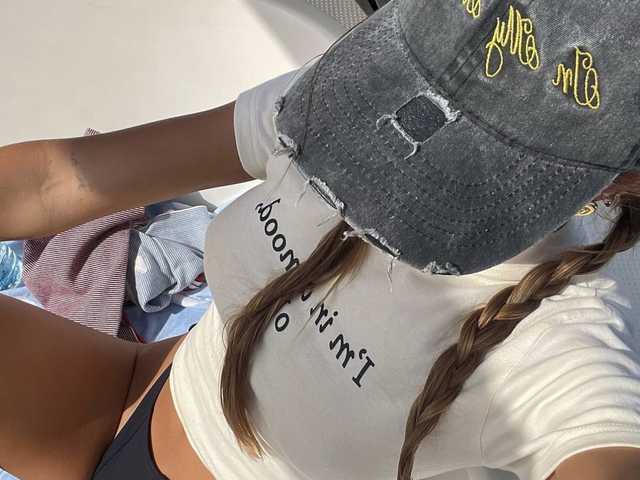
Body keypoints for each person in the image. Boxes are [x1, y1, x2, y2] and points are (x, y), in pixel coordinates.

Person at [1, 1, 640, 479]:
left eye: (486, 148)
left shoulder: (567, 339)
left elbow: (599, 441)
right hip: (135, 399)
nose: (413, 136)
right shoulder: (349, 92)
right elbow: (57, 181)